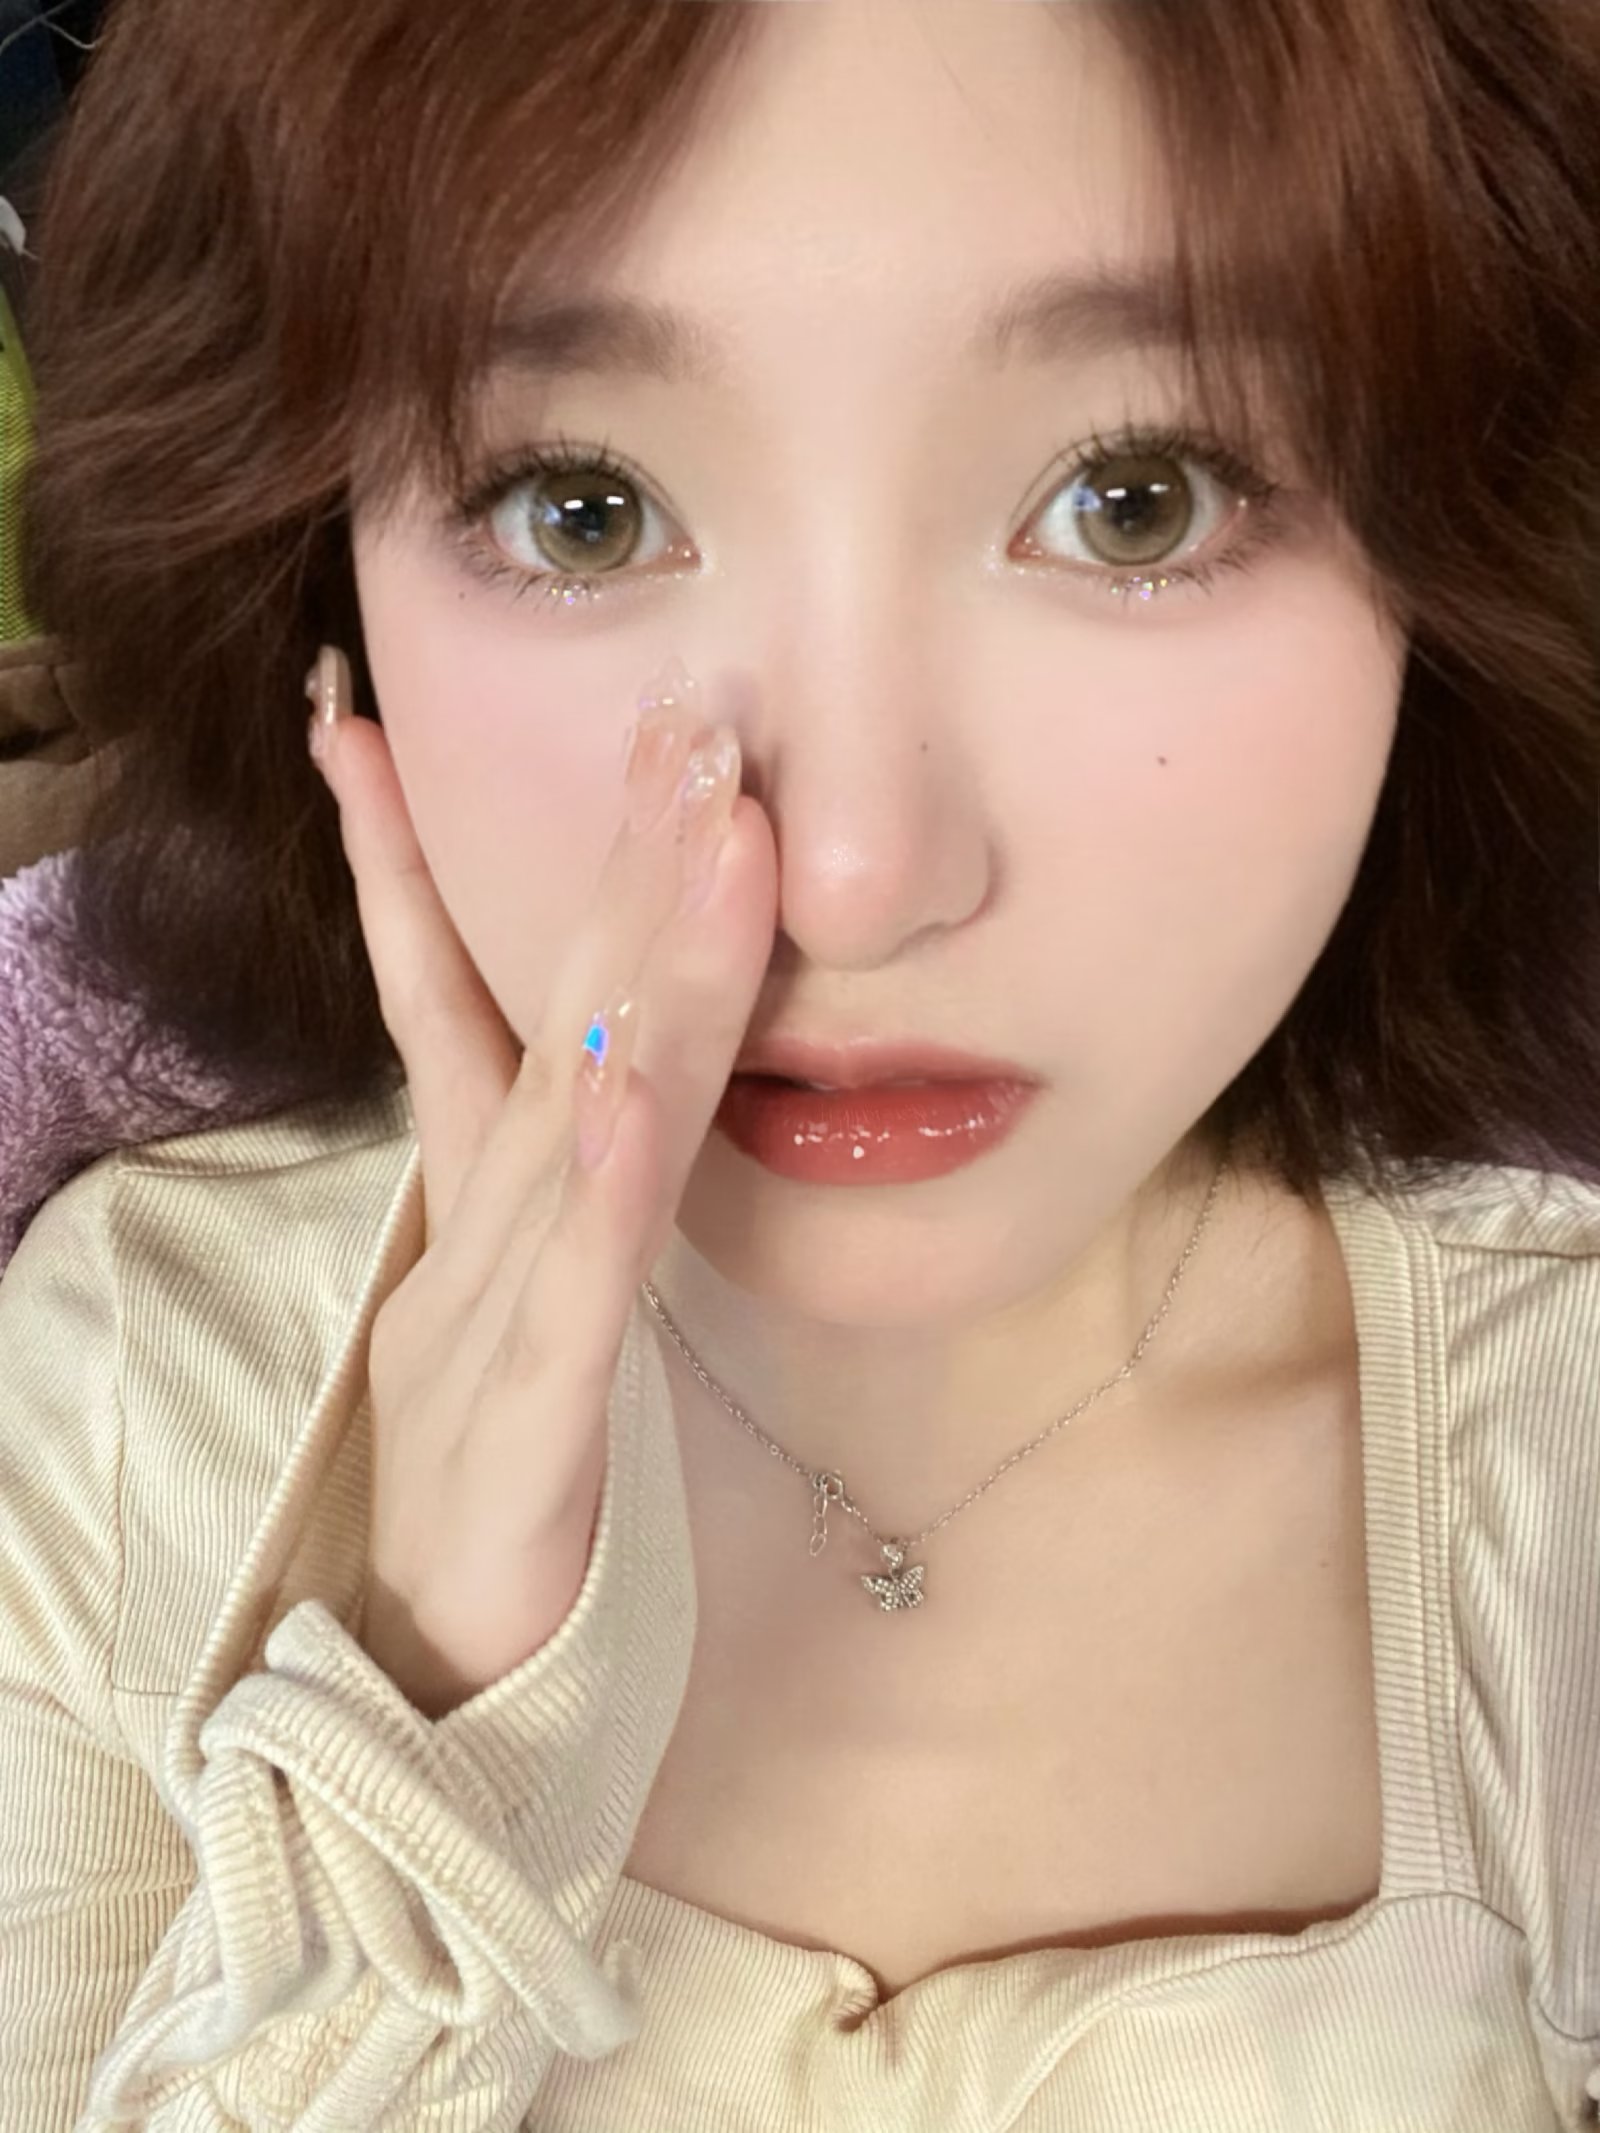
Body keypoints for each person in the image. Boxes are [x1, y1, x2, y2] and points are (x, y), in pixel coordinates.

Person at [2, 0, 1597, 2125]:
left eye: (1134, 502)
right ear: (317, 591)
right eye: (581, 509)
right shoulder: (129, 1398)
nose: (848, 877)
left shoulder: (1555, 1469)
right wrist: (428, 1702)